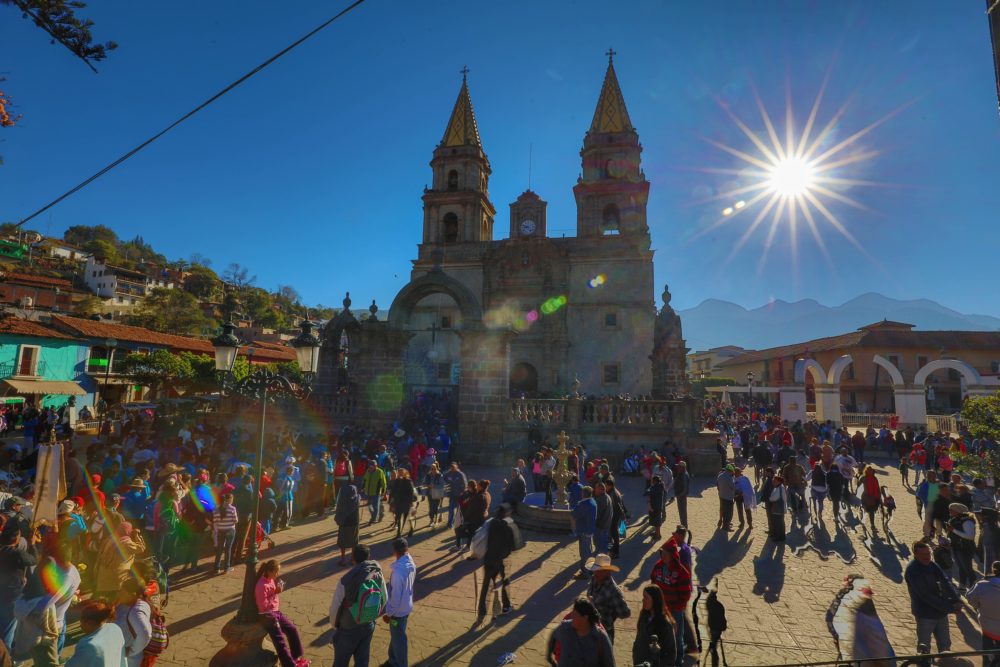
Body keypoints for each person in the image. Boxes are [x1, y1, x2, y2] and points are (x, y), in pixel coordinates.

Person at [330, 544, 386, 667]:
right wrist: (371, 615)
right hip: (368, 624)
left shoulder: (346, 580)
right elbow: (384, 598)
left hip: (348, 627)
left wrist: (335, 625)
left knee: (341, 661)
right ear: (368, 556)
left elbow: (336, 607)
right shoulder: (377, 572)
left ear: (353, 558)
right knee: (362, 661)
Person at [904, 540, 960, 655]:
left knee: (945, 646)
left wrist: (956, 600)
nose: (927, 557)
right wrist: (950, 608)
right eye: (923, 555)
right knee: (924, 647)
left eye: (928, 554)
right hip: (925, 614)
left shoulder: (932, 564)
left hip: (941, 613)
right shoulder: (913, 570)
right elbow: (925, 596)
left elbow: (946, 582)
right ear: (915, 554)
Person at [255, 559, 309, 667]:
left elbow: (272, 596)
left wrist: (276, 592)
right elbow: (263, 606)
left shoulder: (270, 580)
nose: (277, 574)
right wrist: (275, 593)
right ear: (269, 571)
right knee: (280, 641)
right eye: (276, 572)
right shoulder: (261, 585)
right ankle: (289, 664)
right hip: (267, 615)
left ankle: (296, 656)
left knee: (292, 628)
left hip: (276, 612)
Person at [650, 538, 692, 660]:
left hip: (675, 611)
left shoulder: (681, 572)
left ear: (672, 555)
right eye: (661, 553)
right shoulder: (657, 566)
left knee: (677, 637)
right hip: (660, 609)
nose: (662, 556)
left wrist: (677, 606)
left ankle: (678, 659)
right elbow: (653, 582)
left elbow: (686, 594)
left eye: (665, 554)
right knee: (660, 634)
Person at [545, 598, 615, 667]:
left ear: (585, 618)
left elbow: (610, 663)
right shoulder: (564, 628)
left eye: (575, 614)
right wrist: (550, 657)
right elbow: (553, 636)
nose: (571, 616)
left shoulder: (600, 638)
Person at [478, 505, 515, 619]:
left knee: (486, 583)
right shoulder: (508, 524)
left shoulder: (491, 523)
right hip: (502, 559)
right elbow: (513, 544)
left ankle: (482, 609)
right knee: (505, 582)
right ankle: (506, 606)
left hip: (489, 557)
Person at [585, 554, 630, 644]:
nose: (595, 573)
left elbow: (625, 613)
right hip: (591, 627)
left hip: (604, 632)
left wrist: (612, 613)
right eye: (595, 570)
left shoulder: (613, 591)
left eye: (598, 571)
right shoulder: (595, 578)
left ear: (607, 572)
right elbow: (589, 593)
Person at [384, 538, 415, 667]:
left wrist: (389, 613)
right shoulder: (410, 562)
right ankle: (393, 659)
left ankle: (401, 663)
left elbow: (395, 597)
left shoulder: (397, 573)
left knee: (399, 639)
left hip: (398, 611)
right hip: (406, 605)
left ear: (394, 551)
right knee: (396, 635)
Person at [66, 600, 126, 667]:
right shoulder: (115, 628)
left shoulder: (88, 645)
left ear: (89, 623)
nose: (80, 625)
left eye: (81, 622)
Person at [632, 585, 676, 667]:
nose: (643, 600)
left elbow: (671, 655)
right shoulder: (644, 617)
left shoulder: (665, 625)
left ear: (655, 600)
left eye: (646, 597)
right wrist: (635, 651)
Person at [966, 561, 1000, 665]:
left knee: (987, 655)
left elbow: (970, 598)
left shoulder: (982, 585)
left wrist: (979, 607)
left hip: (987, 627)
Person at [114, 579, 152, 667]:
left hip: (128, 660)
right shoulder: (132, 603)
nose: (119, 594)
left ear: (133, 595)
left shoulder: (136, 611)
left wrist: (132, 651)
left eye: (122, 592)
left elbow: (145, 634)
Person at [947, 502, 978, 592]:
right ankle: (962, 585)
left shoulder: (967, 521)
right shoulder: (955, 519)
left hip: (965, 548)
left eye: (951, 510)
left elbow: (970, 536)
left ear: (957, 511)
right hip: (957, 547)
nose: (949, 511)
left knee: (967, 568)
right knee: (961, 567)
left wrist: (953, 530)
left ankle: (974, 587)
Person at [573, 487, 598, 580]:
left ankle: (585, 573)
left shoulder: (583, 504)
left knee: (584, 553)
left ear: (583, 494)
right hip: (590, 530)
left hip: (584, 531)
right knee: (589, 551)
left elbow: (575, 514)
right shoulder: (593, 501)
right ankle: (590, 570)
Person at [335, 484, 361, 566]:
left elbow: (338, 512)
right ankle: (353, 559)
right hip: (354, 522)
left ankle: (343, 559)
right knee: (354, 541)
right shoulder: (357, 499)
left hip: (344, 522)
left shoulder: (342, 501)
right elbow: (359, 496)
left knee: (342, 541)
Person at [213, 493, 238, 574]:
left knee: (219, 549)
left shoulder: (216, 509)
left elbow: (215, 521)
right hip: (230, 530)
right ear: (230, 500)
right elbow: (235, 520)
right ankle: (226, 567)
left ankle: (217, 568)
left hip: (221, 531)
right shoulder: (232, 509)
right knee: (228, 549)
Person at [764, 475, 788, 543]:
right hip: (779, 508)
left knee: (778, 523)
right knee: (780, 523)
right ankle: (780, 536)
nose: (773, 482)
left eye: (774, 481)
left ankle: (779, 537)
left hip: (778, 509)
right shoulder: (780, 487)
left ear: (778, 481)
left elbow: (774, 498)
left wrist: (769, 498)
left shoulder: (779, 488)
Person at [443, 462, 467, 528]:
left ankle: (456, 522)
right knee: (451, 509)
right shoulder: (448, 473)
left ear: (456, 467)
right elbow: (442, 479)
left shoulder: (460, 474)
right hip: (451, 495)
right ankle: (449, 523)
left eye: (453, 468)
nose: (452, 469)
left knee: (458, 510)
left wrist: (462, 492)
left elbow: (465, 484)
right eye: (451, 468)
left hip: (459, 495)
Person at [716, 465, 736, 531]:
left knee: (724, 511)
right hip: (728, 498)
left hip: (722, 496)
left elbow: (718, 486)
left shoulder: (720, 476)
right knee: (729, 513)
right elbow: (733, 487)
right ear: (730, 471)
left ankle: (725, 523)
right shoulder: (729, 478)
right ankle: (726, 526)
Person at [648, 475, 667, 540]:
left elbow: (650, 493)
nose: (652, 481)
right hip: (658, 506)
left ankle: (658, 535)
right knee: (656, 521)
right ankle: (656, 533)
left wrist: (650, 506)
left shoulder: (656, 487)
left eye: (653, 480)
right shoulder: (660, 486)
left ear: (655, 481)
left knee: (657, 522)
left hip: (655, 507)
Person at [673, 461, 690, 528]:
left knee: (683, 512)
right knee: (681, 511)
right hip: (680, 495)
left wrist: (679, 495)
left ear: (682, 467)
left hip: (681, 496)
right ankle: (683, 525)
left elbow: (685, 489)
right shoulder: (680, 473)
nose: (677, 468)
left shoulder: (684, 475)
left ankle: (684, 527)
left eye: (679, 467)